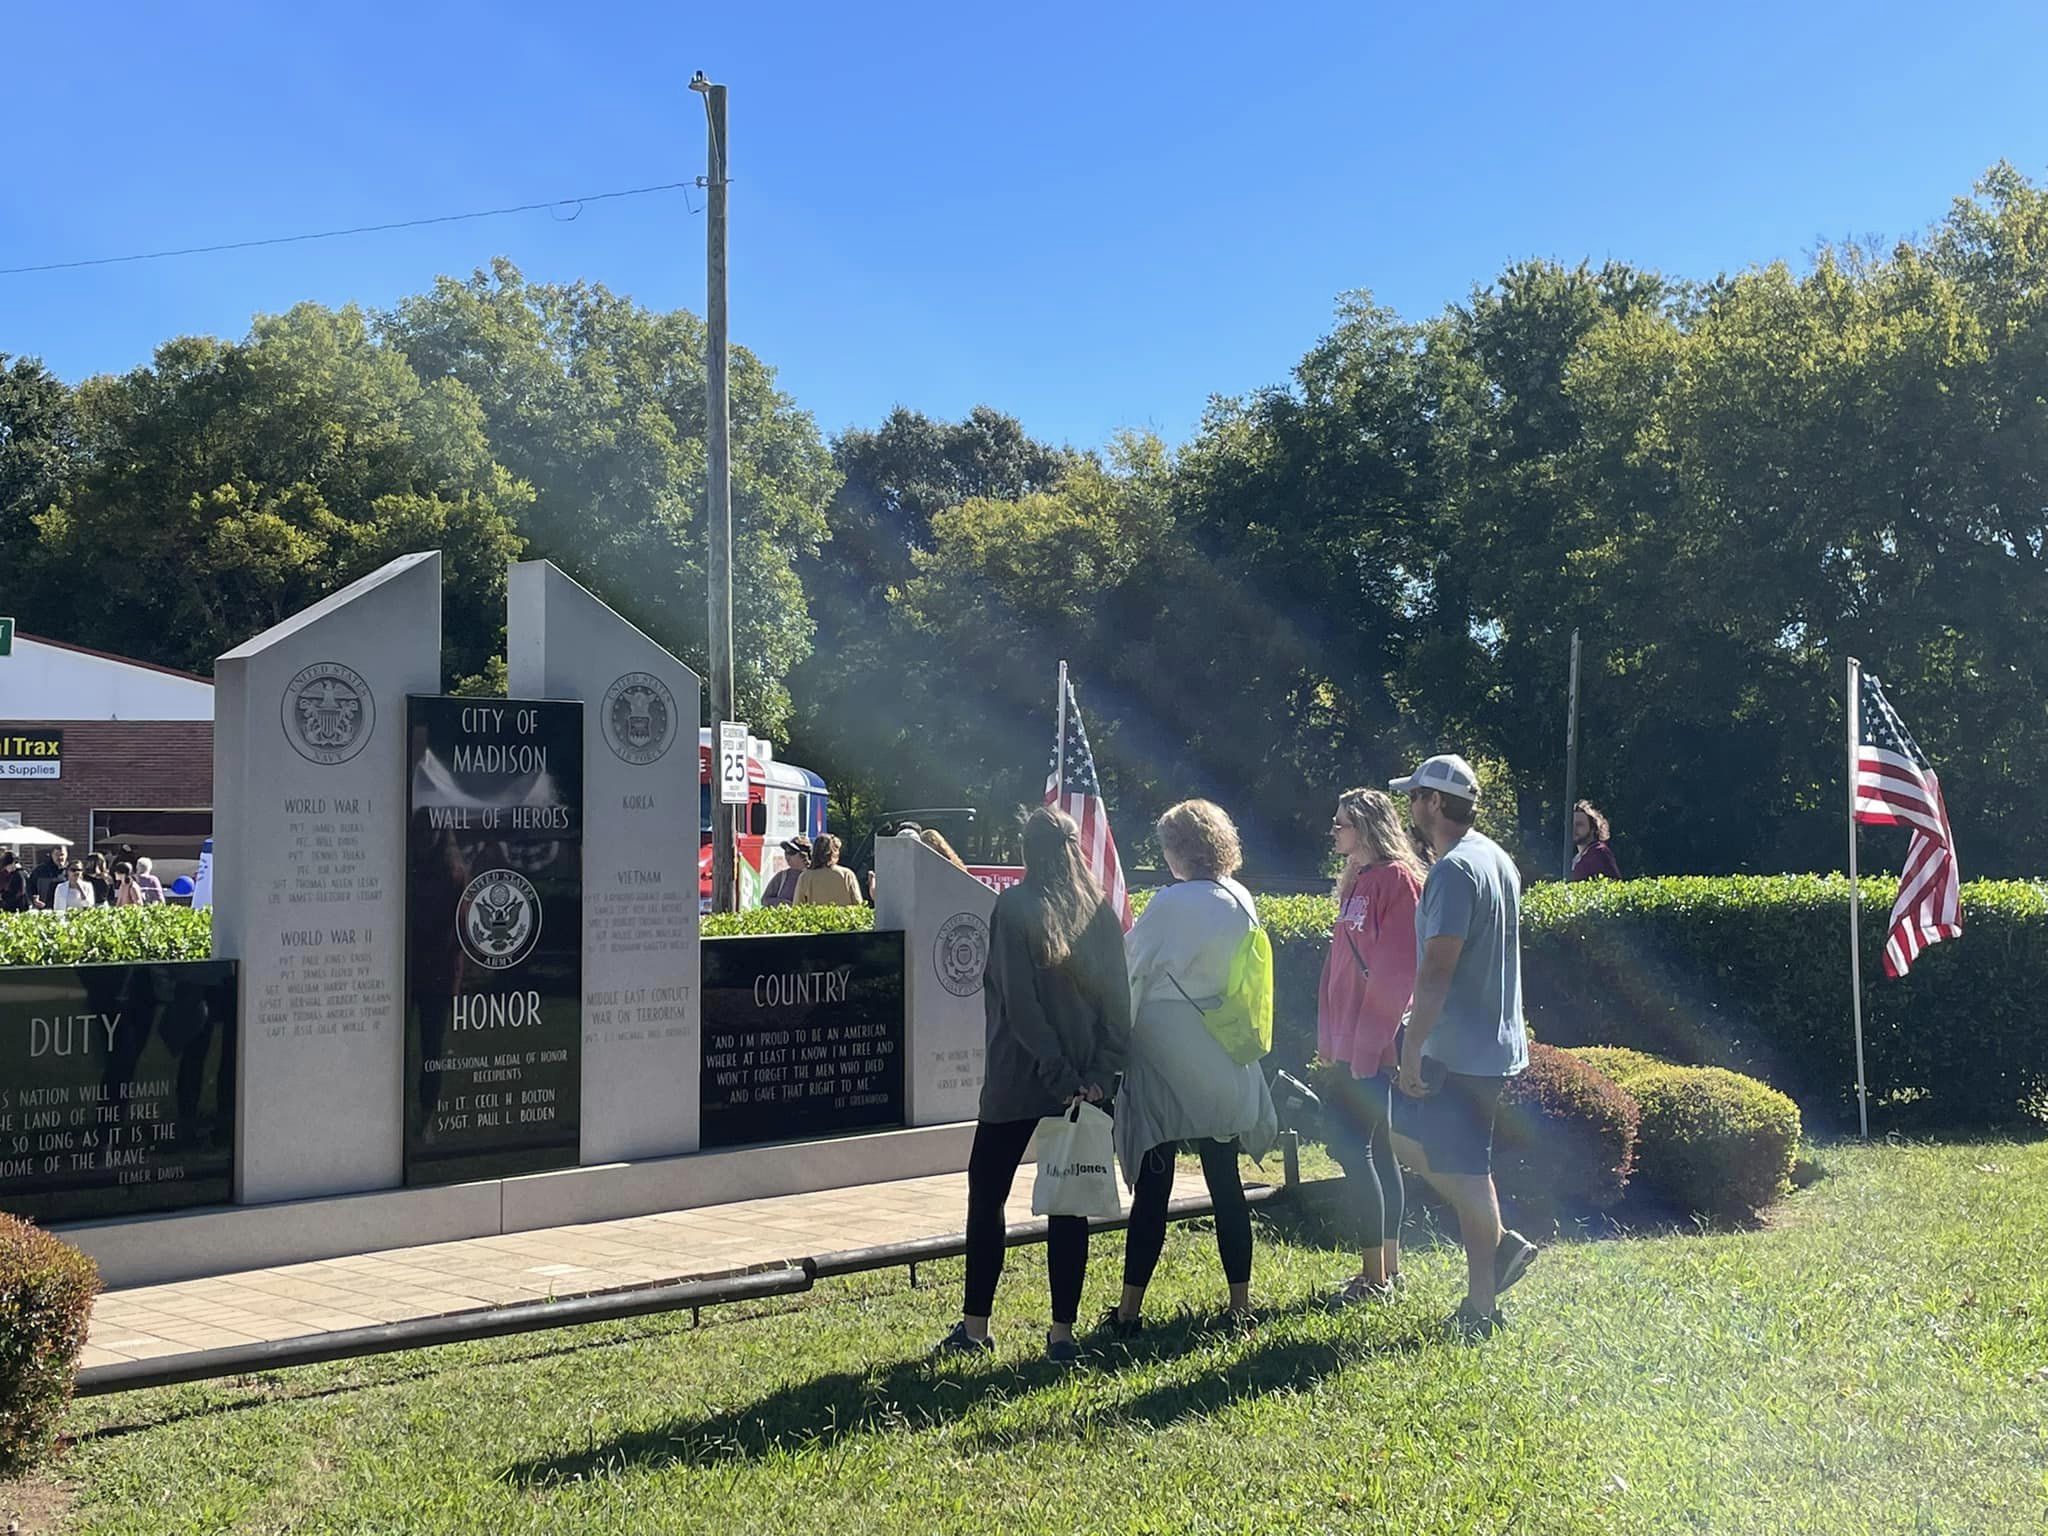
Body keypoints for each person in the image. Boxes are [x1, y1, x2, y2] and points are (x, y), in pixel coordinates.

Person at [936, 805, 1129, 1363]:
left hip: (1018, 1081)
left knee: (987, 1196)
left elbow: (1021, 1008)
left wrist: (1063, 1075)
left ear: (1027, 852)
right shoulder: (1100, 914)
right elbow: (1120, 1008)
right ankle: (1062, 1336)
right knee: (1068, 1205)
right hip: (1080, 1087)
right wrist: (1095, 1077)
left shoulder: (1015, 907)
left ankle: (975, 1329)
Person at [1107, 800, 1278, 1337]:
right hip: (1224, 1047)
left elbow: (1131, 972)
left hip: (1164, 1050)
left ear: (1178, 849)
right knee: (1225, 1180)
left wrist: (1114, 1043)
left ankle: (1129, 1312)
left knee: (1154, 1186)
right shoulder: (1239, 896)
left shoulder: (1169, 903)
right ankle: (1240, 1306)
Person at [1387, 754, 1536, 1341]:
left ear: (1434, 803)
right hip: (1492, 1044)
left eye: (1416, 795)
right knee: (1407, 1140)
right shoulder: (1495, 857)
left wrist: (1412, 1043)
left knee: (1467, 1173)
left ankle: (1481, 1305)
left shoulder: (1452, 871)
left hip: (1457, 1049)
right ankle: (1499, 1252)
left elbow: (1437, 966)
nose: (1410, 806)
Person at [1317, 787, 1426, 1306]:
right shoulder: (1357, 880)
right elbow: (1339, 964)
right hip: (1350, 1039)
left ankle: (1374, 1278)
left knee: (1351, 1148)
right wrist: (1330, 1034)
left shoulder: (1398, 881)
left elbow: (1396, 972)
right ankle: (1387, 1269)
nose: (1334, 831)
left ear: (1366, 826)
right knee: (1376, 1148)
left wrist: (1365, 1044)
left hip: (1374, 1043)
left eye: (1341, 823)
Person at [793, 834, 864, 907]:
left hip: (815, 918)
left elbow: (797, 907)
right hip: (844, 917)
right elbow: (858, 904)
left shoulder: (805, 876)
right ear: (834, 852)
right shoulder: (847, 874)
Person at [1570, 801, 1622, 881]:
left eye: (1579, 824)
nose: (1574, 828)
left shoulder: (1599, 852)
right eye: (1572, 824)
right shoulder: (1576, 858)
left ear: (1593, 828)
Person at [761, 839, 810, 907]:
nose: (787, 856)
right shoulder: (781, 877)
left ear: (803, 855)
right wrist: (781, 903)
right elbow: (764, 900)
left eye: (791, 852)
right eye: (786, 852)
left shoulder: (813, 877)